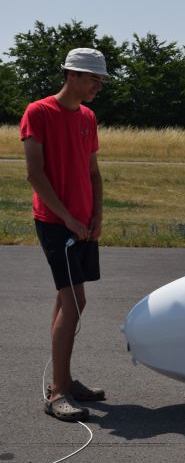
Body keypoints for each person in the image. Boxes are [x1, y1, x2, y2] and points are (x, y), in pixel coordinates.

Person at [20, 48, 107, 422]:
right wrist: (67, 218)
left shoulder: (87, 117)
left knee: (68, 299)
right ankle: (57, 393)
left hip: (83, 224)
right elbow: (35, 174)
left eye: (101, 80)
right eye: (93, 79)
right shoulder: (38, 112)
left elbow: (93, 173)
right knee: (74, 302)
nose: (98, 86)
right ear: (72, 75)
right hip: (56, 223)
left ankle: (65, 379)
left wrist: (96, 214)